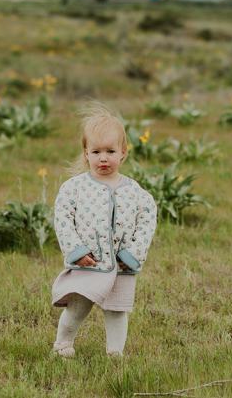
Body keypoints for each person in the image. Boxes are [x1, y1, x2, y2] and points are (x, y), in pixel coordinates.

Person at [50, 102, 158, 358]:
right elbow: (63, 218)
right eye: (96, 151)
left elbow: (147, 221)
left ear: (123, 153)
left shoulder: (136, 193)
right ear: (86, 153)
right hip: (88, 262)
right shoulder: (73, 188)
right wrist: (76, 251)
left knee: (117, 310)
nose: (103, 158)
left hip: (121, 265)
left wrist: (132, 254)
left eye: (110, 151)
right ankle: (63, 344)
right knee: (77, 307)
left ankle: (115, 353)